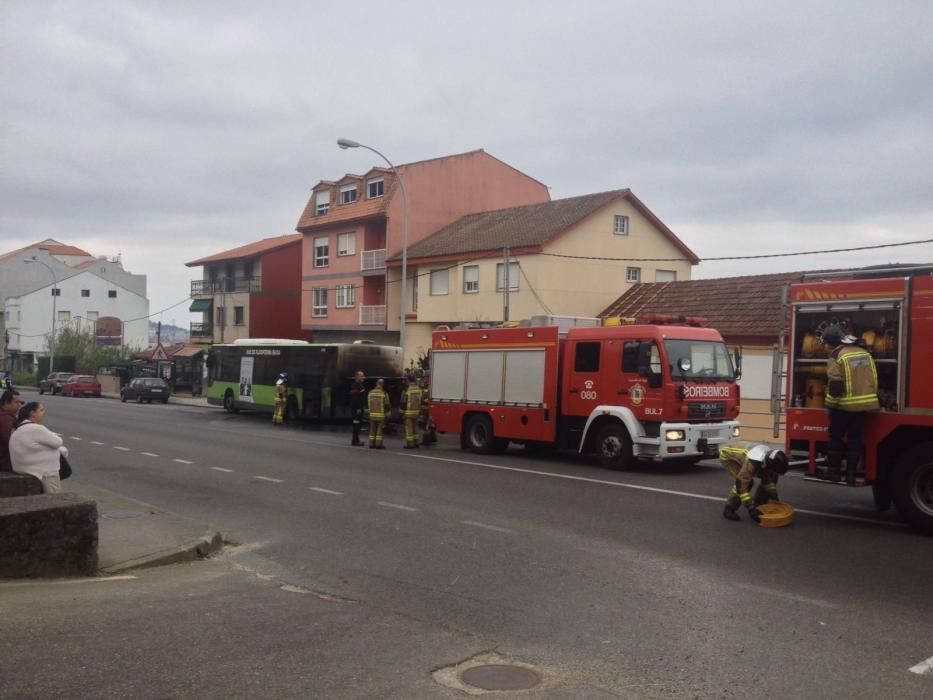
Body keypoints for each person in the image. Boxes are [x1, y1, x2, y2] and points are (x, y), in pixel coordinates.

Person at [821, 323, 879, 484]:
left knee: (836, 437)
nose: (825, 346)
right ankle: (851, 475)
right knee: (855, 438)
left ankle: (833, 472)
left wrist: (829, 406)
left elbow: (835, 387)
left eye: (826, 343)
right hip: (864, 405)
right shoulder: (864, 353)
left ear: (831, 342)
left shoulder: (837, 356)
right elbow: (873, 378)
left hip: (843, 406)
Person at [720, 442, 789, 522]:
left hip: (745, 456)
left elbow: (768, 480)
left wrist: (773, 494)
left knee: (771, 477)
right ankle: (729, 508)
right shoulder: (753, 462)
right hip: (729, 458)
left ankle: (759, 505)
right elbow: (741, 485)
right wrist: (751, 508)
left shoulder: (770, 459)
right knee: (746, 483)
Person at [10, 402, 68, 494]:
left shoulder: (18, 430)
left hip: (22, 468)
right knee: (54, 501)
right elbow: (58, 442)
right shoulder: (36, 428)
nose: (44, 412)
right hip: (43, 473)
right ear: (32, 413)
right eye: (41, 410)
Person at [1, 389, 24, 472]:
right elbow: (9, 441)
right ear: (6, 403)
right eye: (16, 402)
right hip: (5, 463)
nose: (19, 405)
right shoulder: (6, 419)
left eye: (21, 402)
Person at [401, 375, 422, 449]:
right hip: (416, 412)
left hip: (409, 412)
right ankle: (417, 443)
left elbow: (403, 402)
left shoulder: (407, 390)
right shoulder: (418, 389)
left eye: (406, 379)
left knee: (409, 428)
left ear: (408, 380)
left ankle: (410, 444)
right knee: (415, 427)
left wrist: (402, 412)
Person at [367, 378, 389, 449]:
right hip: (380, 415)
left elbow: (368, 404)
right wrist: (387, 415)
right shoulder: (384, 393)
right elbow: (387, 405)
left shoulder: (370, 392)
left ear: (376, 383)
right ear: (382, 384)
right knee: (379, 430)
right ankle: (378, 445)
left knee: (372, 429)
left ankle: (371, 444)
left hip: (372, 415)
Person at [349, 371, 367, 446]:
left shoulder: (360, 385)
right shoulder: (355, 386)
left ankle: (357, 440)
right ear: (357, 377)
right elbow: (355, 398)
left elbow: (361, 398)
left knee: (359, 424)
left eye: (363, 376)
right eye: (361, 376)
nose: (363, 377)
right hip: (357, 409)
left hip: (360, 408)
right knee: (356, 424)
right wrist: (358, 408)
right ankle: (354, 441)